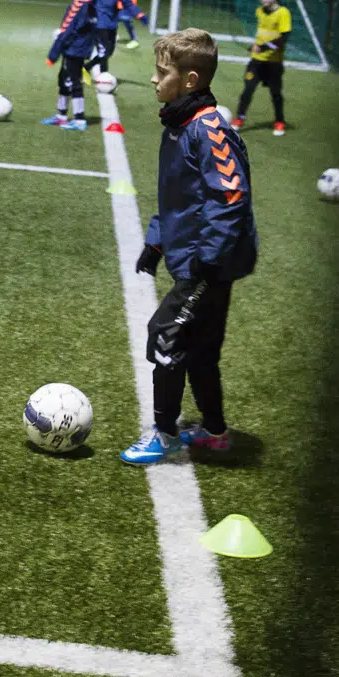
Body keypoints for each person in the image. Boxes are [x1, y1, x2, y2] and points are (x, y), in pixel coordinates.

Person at [122, 28, 257, 465]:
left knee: (165, 334)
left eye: (162, 73)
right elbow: (179, 196)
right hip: (199, 257)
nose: (154, 80)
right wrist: (156, 243)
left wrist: (207, 259)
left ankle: (164, 434)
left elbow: (231, 196)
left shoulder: (209, 129)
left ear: (191, 79)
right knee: (200, 348)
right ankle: (215, 432)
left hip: (210, 263)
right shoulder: (180, 123)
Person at [231, 0, 291, 136]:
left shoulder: (283, 13)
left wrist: (263, 47)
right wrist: (255, 46)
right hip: (256, 62)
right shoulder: (259, 11)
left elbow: (283, 38)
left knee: (275, 93)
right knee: (248, 89)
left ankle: (279, 121)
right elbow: (263, 34)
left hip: (273, 63)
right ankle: (239, 119)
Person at [44, 0, 99, 132]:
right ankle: (61, 115)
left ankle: (79, 119)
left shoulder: (79, 6)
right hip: (78, 49)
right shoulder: (89, 5)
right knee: (64, 80)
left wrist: (53, 54)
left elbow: (67, 31)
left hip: (74, 51)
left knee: (74, 82)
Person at [88, 0, 147, 79]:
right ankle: (103, 76)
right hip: (99, 23)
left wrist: (139, 15)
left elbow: (128, 3)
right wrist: (87, 17)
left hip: (112, 23)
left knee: (109, 51)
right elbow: (90, 1)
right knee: (103, 51)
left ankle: (86, 68)